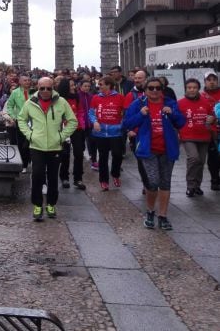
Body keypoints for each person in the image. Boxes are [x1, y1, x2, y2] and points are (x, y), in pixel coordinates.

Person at [124, 77, 185, 231]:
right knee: (152, 182)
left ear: (162, 89)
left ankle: (163, 216)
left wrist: (172, 114)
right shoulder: (138, 104)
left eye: (158, 87)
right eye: (151, 88)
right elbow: (127, 123)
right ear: (145, 90)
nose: (155, 90)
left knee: (165, 183)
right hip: (147, 149)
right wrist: (141, 114)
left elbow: (181, 122)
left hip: (167, 148)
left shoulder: (169, 102)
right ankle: (150, 211)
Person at [18, 76, 78, 222]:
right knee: (37, 175)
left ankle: (51, 204)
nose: (45, 91)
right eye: (42, 88)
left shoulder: (61, 102)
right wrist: (29, 134)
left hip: (54, 146)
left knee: (52, 177)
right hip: (36, 146)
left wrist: (61, 136)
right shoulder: (30, 102)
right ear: (37, 87)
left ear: (53, 88)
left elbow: (72, 121)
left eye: (48, 88)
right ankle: (37, 205)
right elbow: (21, 119)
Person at [178, 78, 215, 197]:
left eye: (194, 87)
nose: (192, 90)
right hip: (188, 136)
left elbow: (212, 116)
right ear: (186, 89)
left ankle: (197, 186)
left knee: (201, 162)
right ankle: (190, 186)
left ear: (198, 88)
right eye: (189, 87)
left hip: (204, 136)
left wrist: (212, 119)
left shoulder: (206, 102)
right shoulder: (180, 103)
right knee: (194, 158)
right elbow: (176, 119)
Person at [89, 76, 126, 191]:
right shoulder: (95, 98)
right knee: (103, 157)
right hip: (101, 133)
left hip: (116, 132)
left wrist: (122, 125)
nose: (98, 86)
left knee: (118, 155)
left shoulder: (120, 97)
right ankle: (104, 180)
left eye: (101, 84)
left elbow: (125, 113)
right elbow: (91, 112)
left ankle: (115, 174)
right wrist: (94, 122)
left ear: (108, 85)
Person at [57, 78, 86, 190]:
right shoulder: (59, 99)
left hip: (76, 128)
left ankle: (78, 178)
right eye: (71, 85)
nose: (73, 87)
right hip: (64, 128)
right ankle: (64, 177)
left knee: (79, 153)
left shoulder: (77, 98)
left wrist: (81, 123)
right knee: (65, 154)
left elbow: (80, 111)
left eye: (74, 85)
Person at [6, 75, 33, 173]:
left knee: (32, 141)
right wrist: (14, 116)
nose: (27, 82)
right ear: (20, 82)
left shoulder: (34, 92)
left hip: (34, 121)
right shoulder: (15, 93)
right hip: (21, 121)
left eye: (29, 80)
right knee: (22, 143)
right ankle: (24, 164)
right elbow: (10, 105)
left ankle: (33, 161)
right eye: (25, 80)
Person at [202, 71, 220, 191]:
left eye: (214, 79)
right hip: (210, 131)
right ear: (205, 82)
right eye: (209, 80)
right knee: (213, 157)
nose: (212, 82)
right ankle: (215, 180)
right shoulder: (201, 96)